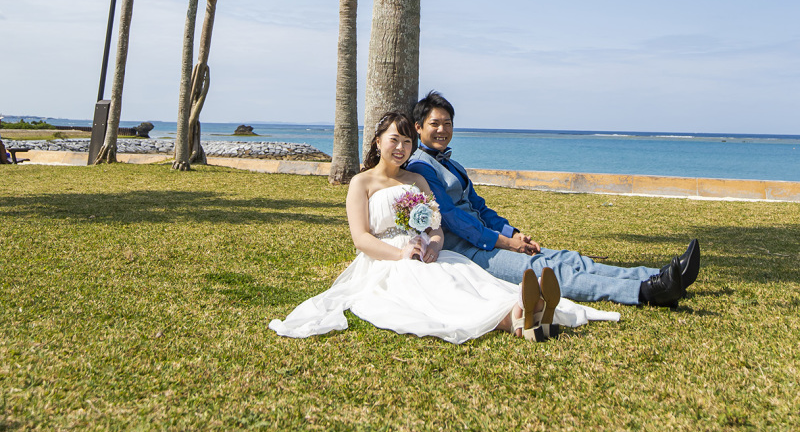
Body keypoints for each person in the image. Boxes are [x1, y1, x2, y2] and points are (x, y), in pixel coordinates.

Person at [269, 112, 617, 343]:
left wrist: (434, 244)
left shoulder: (417, 179)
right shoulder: (361, 183)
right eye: (394, 140)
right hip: (386, 259)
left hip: (427, 253)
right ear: (377, 141)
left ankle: (531, 311)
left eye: (407, 142)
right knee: (435, 296)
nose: (401, 148)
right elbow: (360, 238)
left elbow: (434, 223)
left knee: (467, 282)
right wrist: (400, 255)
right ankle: (517, 317)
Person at [406, 92, 702, 308]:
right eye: (435, 123)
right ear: (419, 128)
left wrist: (513, 233)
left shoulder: (453, 164)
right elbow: (453, 218)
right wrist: (506, 243)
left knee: (567, 258)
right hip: (467, 250)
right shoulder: (421, 167)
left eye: (448, 123)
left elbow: (480, 207)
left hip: (491, 238)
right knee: (547, 272)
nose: (442, 130)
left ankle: (659, 275)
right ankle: (645, 291)